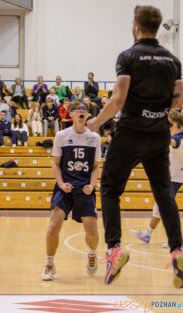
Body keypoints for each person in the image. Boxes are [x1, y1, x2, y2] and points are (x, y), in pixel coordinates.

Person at [86, 5, 183, 287]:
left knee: (110, 189)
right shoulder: (173, 60)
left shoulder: (128, 56)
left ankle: (115, 249)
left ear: (136, 26)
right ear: (156, 26)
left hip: (130, 133)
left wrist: (97, 122)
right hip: (158, 135)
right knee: (164, 193)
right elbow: (178, 102)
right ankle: (177, 251)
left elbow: (118, 98)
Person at [42, 100, 101, 281]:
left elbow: (96, 167)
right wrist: (60, 183)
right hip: (65, 187)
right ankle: (50, 263)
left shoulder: (95, 138)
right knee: (53, 226)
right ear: (71, 114)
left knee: (92, 232)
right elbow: (55, 163)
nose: (80, 111)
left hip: (85, 188)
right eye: (77, 109)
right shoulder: (61, 135)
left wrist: (91, 185)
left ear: (88, 115)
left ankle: (92, 254)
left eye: (84, 109)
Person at [130, 111, 183, 248]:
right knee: (159, 207)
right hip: (173, 176)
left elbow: (170, 141)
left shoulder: (177, 139)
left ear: (174, 124)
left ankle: (175, 240)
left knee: (166, 207)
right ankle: (147, 234)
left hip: (176, 178)